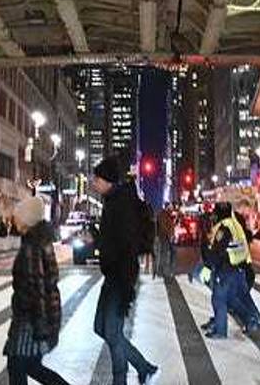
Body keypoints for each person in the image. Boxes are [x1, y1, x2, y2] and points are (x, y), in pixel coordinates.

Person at [91, 156, 159, 385]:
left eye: (97, 178)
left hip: (120, 277)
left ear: (108, 180)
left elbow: (124, 244)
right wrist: (96, 236)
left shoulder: (121, 204)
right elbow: (112, 240)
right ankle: (144, 367)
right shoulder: (112, 201)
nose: (94, 182)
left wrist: (126, 283)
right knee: (101, 327)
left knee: (111, 332)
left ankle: (123, 379)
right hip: (113, 275)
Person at [4, 196, 69, 385]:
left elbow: (36, 288)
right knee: (30, 366)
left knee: (18, 365)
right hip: (34, 317)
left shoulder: (31, 246)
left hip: (29, 320)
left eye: (18, 215)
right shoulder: (39, 241)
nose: (14, 219)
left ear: (27, 219)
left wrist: (40, 327)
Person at [204, 202, 260, 340]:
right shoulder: (235, 224)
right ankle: (250, 320)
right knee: (232, 299)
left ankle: (220, 331)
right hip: (239, 267)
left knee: (218, 299)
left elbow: (218, 251)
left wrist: (210, 265)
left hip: (226, 268)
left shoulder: (223, 228)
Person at [155, 204, 176, 280]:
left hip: (168, 237)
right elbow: (164, 226)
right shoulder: (163, 214)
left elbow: (171, 226)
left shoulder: (168, 215)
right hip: (164, 237)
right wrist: (170, 234)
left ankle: (164, 271)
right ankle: (162, 271)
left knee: (168, 254)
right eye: (170, 207)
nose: (172, 209)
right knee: (164, 254)